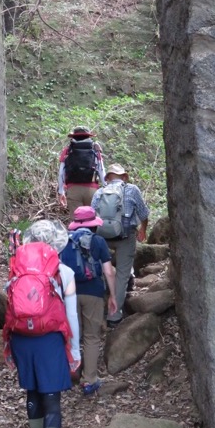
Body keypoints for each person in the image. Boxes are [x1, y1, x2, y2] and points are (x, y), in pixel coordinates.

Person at [4, 219, 81, 428]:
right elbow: (71, 315)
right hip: (49, 339)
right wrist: (74, 349)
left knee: (33, 392)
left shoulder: (17, 270)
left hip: (22, 339)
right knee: (52, 399)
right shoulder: (64, 272)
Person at [60, 206, 118, 395]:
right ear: (94, 225)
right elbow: (109, 271)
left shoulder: (64, 242)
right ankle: (89, 380)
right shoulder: (99, 241)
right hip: (93, 293)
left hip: (69, 293)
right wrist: (113, 296)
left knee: (72, 334)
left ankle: (71, 372)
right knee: (91, 337)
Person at [91, 163, 149, 328]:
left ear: (108, 178)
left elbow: (91, 215)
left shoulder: (99, 192)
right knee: (122, 276)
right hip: (125, 236)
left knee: (100, 271)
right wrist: (143, 229)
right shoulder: (132, 190)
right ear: (124, 177)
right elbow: (143, 213)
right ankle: (114, 317)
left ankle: (97, 309)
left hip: (102, 237)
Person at [57, 126, 106, 219]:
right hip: (92, 190)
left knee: (76, 220)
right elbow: (101, 170)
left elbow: (61, 173)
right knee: (92, 219)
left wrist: (61, 191)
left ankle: (77, 233)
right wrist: (106, 187)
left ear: (73, 137)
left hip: (73, 189)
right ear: (88, 137)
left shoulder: (67, 150)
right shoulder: (95, 149)